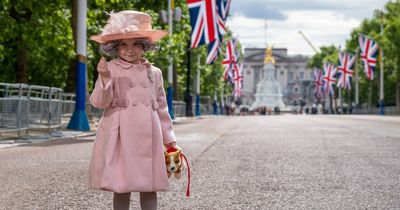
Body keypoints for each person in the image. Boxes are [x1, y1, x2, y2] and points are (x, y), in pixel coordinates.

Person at [88, 11, 178, 210]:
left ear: (145, 45)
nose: (129, 50)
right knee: (122, 185)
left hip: (149, 133)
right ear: (114, 47)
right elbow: (99, 102)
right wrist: (103, 78)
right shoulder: (110, 68)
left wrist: (169, 138)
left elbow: (161, 107)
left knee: (149, 185)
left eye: (136, 44)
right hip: (121, 134)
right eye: (123, 45)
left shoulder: (154, 73)